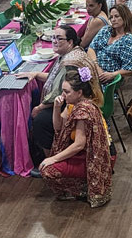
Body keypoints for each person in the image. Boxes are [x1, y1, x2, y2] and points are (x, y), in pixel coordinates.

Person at [39, 68, 113, 208]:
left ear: (79, 93)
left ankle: (80, 189)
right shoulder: (74, 104)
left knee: (47, 170)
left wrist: (53, 158)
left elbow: (79, 144)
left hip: (89, 157)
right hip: (82, 153)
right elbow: (58, 127)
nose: (63, 95)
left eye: (67, 91)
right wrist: (56, 107)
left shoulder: (83, 110)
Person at [27, 26, 102, 158]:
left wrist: (39, 108)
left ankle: (50, 158)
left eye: (59, 38)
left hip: (80, 103)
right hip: (82, 97)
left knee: (40, 121)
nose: (54, 41)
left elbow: (59, 92)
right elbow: (56, 79)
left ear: (70, 42)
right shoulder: (76, 52)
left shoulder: (69, 62)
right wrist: (36, 74)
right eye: (53, 38)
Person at [88, 4, 132, 83]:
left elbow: (131, 69)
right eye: (111, 17)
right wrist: (96, 66)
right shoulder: (106, 30)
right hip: (93, 68)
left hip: (108, 78)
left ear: (125, 17)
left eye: (116, 16)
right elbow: (91, 48)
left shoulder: (129, 41)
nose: (113, 20)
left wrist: (112, 74)